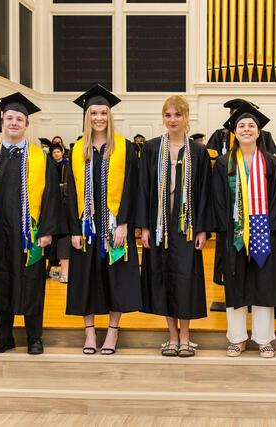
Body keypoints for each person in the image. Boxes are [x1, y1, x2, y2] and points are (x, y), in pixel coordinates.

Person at [0, 92, 65, 355]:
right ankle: (3, 337)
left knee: (32, 284)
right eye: (9, 118)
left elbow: (51, 197)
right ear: (2, 122)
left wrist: (48, 232)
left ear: (27, 124)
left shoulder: (40, 159)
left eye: (19, 118)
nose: (14, 122)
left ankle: (34, 338)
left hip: (30, 235)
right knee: (0, 280)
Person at [66, 84, 142, 355]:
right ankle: (89, 334)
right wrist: (75, 229)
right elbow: (72, 192)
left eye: (103, 112)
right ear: (87, 117)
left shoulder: (124, 147)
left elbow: (133, 188)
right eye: (94, 113)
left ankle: (112, 333)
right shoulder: (77, 149)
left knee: (116, 279)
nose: (99, 117)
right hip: (86, 228)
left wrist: (124, 223)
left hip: (114, 227)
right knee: (86, 278)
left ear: (110, 116)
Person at [136, 95, 212, 358]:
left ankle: (186, 336)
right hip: (159, 224)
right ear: (163, 118)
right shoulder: (151, 148)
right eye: (168, 115)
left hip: (186, 226)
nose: (172, 120)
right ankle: (171, 336)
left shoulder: (199, 152)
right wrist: (144, 227)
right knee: (163, 277)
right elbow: (143, 187)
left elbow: (204, 193)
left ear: (186, 117)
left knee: (186, 279)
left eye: (177, 115)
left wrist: (202, 228)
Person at [212, 101, 276, 358]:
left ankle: (264, 338)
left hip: (264, 231)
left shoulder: (272, 164)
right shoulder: (223, 164)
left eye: (251, 126)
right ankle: (236, 338)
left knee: (263, 284)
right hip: (233, 233)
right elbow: (218, 200)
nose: (246, 129)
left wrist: (273, 232)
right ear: (234, 132)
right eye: (241, 125)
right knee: (235, 285)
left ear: (259, 132)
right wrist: (226, 230)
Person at [207, 98, 276, 291]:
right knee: (232, 263)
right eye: (236, 117)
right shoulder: (219, 136)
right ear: (231, 119)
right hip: (233, 210)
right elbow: (211, 164)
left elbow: (272, 171)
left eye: (251, 124)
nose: (246, 129)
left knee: (260, 267)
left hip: (260, 216)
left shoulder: (267, 141)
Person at [48, 144, 70, 283]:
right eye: (54, 152)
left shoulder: (67, 165)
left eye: (58, 152)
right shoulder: (49, 165)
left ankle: (65, 271)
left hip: (65, 201)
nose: (56, 154)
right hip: (54, 202)